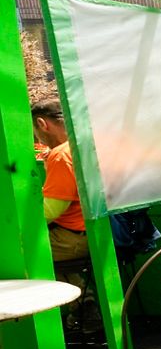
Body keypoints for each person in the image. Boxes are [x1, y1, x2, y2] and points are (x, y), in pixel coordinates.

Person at [32, 98, 89, 282]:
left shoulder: (61, 155)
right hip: (94, 232)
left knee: (17, 250)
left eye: (35, 132)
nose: (37, 138)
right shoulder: (82, 145)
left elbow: (50, 211)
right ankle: (84, 301)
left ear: (42, 124)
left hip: (74, 239)